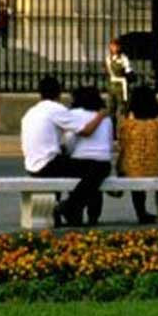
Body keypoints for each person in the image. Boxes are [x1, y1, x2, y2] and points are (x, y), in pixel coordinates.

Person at [17, 74, 101, 227]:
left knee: (64, 164)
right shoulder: (56, 109)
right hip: (47, 164)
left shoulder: (30, 112)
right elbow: (86, 130)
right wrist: (101, 116)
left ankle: (58, 213)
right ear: (59, 93)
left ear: (40, 94)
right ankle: (72, 205)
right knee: (97, 168)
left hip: (31, 165)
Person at [115, 84, 158, 224]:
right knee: (156, 168)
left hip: (133, 170)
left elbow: (122, 146)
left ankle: (141, 211)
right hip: (157, 168)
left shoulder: (127, 125)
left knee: (132, 166)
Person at [64, 85, 115, 225]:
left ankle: (73, 210)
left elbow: (70, 139)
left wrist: (69, 152)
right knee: (95, 185)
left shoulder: (74, 114)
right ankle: (94, 215)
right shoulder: (105, 118)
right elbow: (109, 143)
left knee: (82, 180)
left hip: (79, 160)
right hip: (102, 162)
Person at [104, 39, 134, 114]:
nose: (114, 48)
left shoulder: (123, 58)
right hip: (111, 86)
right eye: (112, 46)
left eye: (115, 46)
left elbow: (128, 70)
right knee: (111, 108)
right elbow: (107, 71)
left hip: (121, 86)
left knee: (123, 108)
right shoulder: (108, 58)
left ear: (119, 47)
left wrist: (128, 75)